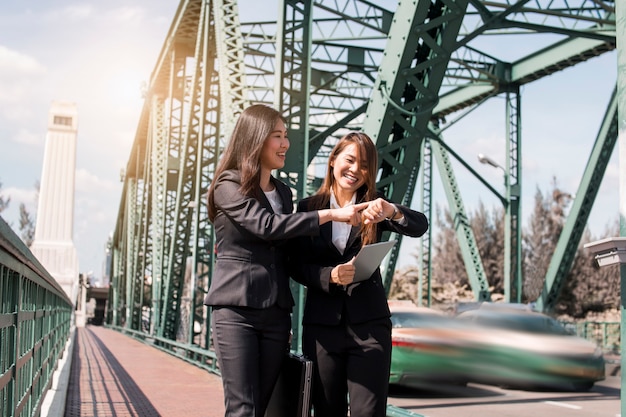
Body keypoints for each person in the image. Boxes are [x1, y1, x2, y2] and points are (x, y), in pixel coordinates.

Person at [204, 104, 369, 417]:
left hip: (277, 313)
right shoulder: (229, 184)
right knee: (243, 409)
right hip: (236, 310)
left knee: (264, 406)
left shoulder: (285, 193)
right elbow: (265, 226)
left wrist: (331, 271)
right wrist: (330, 214)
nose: (285, 144)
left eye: (286, 136)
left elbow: (290, 251)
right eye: (277, 136)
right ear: (255, 139)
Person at [289, 131, 429, 417]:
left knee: (369, 413)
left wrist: (391, 210)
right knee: (328, 411)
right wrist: (330, 275)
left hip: (370, 328)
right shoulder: (308, 209)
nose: (355, 170)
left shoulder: (375, 208)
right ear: (333, 160)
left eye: (365, 165)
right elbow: (295, 265)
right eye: (350, 160)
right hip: (323, 330)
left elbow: (419, 225)